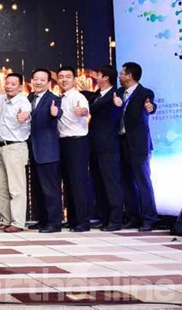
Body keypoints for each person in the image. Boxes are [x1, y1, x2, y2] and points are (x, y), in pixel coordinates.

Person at [116, 62, 158, 231]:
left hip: (139, 145)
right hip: (121, 142)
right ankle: (133, 217)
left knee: (143, 182)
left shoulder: (145, 93)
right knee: (127, 182)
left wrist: (151, 107)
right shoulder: (119, 93)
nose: (119, 76)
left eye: (122, 73)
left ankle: (149, 218)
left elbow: (151, 106)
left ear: (129, 76)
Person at [81, 65, 123, 232]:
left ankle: (115, 220)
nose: (95, 77)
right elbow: (91, 99)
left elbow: (96, 108)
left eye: (98, 75)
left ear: (105, 77)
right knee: (98, 183)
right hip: (94, 145)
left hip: (108, 146)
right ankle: (103, 217)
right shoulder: (97, 94)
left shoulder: (115, 95)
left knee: (111, 183)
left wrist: (118, 104)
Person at [0, 73, 31, 233]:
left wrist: (24, 116)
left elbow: (26, 114)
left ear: (20, 87)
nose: (9, 86)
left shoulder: (23, 102)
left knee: (16, 187)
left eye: (13, 84)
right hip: (0, 148)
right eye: (7, 83)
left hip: (15, 148)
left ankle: (18, 222)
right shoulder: (4, 99)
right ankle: (6, 220)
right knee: (1, 187)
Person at [27, 69, 63, 233]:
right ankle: (43, 220)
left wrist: (56, 113)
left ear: (49, 83)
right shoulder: (29, 98)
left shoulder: (54, 99)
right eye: (36, 79)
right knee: (38, 188)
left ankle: (54, 223)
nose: (38, 82)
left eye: (42, 80)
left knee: (50, 189)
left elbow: (58, 112)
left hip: (48, 151)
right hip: (33, 150)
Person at [56, 66, 91, 232]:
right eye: (61, 77)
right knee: (68, 183)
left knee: (78, 183)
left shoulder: (78, 97)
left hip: (77, 142)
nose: (64, 80)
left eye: (68, 77)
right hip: (63, 143)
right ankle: (72, 219)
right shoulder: (59, 98)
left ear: (75, 80)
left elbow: (84, 110)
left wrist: (81, 111)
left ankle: (83, 222)